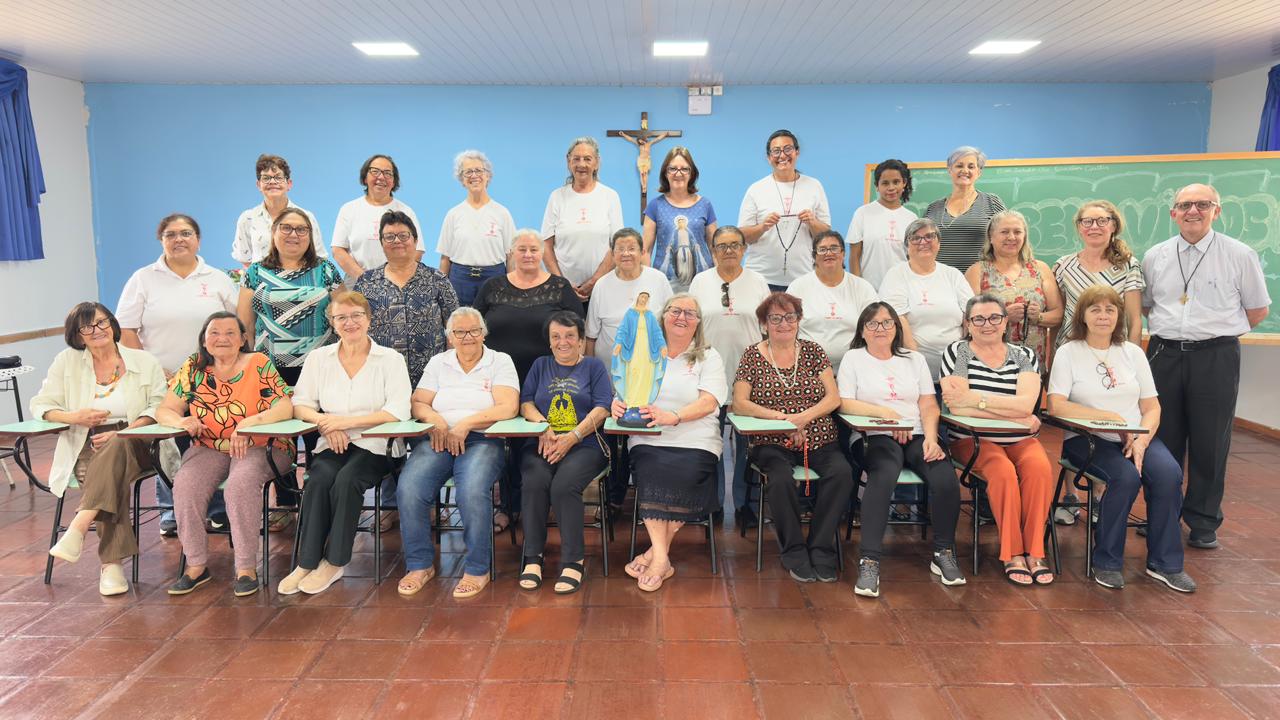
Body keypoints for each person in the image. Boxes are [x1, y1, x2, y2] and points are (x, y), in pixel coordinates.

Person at [1141, 183, 1271, 550]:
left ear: (1217, 210)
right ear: (1173, 213)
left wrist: (1214, 333)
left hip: (1216, 356)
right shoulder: (1156, 255)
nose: (1192, 211)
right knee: (1162, 438)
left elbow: (1257, 309)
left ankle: (1202, 520)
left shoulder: (1239, 254)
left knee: (1210, 440)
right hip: (1164, 353)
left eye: (1202, 204)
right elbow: (1149, 305)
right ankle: (1161, 514)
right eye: (1184, 205)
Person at [1048, 285, 1196, 593]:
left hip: (1135, 437)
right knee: (1125, 478)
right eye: (1095, 310)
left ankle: (1165, 563)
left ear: (1119, 317)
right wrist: (1110, 419)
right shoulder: (1068, 351)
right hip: (1087, 439)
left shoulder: (1132, 353)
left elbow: (1151, 406)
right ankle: (1107, 561)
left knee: (1169, 474)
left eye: (1110, 310)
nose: (1103, 316)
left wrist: (1142, 440)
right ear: (1083, 316)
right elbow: (1056, 404)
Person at [277, 292, 412, 595]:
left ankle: (335, 562)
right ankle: (306, 562)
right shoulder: (318, 359)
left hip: (378, 445)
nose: (349, 323)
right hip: (332, 442)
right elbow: (300, 404)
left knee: (347, 480)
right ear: (332, 322)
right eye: (341, 318)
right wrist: (326, 423)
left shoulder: (390, 359)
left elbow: (398, 411)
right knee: (319, 478)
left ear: (369, 319)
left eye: (356, 316)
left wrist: (344, 423)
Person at [154, 312, 294, 597]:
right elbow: (164, 409)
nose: (222, 338)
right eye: (214, 332)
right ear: (204, 340)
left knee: (240, 485)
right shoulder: (193, 366)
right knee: (186, 485)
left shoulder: (257, 363)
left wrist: (248, 425)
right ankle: (195, 565)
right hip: (209, 446)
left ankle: (245, 568)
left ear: (243, 338)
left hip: (261, 444)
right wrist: (181, 421)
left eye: (231, 333)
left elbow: (284, 407)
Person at [116, 213, 236, 536]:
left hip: (214, 378)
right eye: (171, 234)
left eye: (186, 233)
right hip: (163, 379)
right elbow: (126, 328)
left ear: (198, 239)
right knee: (169, 442)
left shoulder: (218, 278)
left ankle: (216, 509)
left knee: (211, 440)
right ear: (161, 240)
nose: (179, 239)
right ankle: (171, 512)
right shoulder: (143, 279)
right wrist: (153, 369)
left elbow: (236, 326)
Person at [39, 303, 168, 596]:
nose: (96, 331)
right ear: (77, 335)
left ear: (112, 324)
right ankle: (110, 566)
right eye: (87, 327)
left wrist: (125, 432)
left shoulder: (143, 360)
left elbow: (158, 406)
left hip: (139, 439)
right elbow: (43, 405)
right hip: (86, 441)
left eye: (101, 322)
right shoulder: (66, 361)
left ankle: (82, 530)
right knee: (111, 476)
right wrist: (74, 418)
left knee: (117, 449)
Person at [837, 302, 964, 597]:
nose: (880, 329)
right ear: (862, 331)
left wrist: (932, 438)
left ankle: (943, 552)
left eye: (886, 323)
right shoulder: (854, 358)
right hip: (873, 435)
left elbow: (928, 404)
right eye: (872, 324)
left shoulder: (914, 359)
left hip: (918, 433)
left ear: (896, 327)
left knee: (944, 476)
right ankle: (869, 560)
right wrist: (886, 415)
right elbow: (845, 402)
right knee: (885, 473)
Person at [396, 308, 518, 598]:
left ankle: (478, 568)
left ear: (484, 332)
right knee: (409, 488)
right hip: (438, 437)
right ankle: (420, 565)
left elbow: (508, 407)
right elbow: (419, 401)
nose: (468, 337)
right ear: (449, 337)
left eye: (474, 330)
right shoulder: (439, 362)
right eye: (460, 332)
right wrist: (437, 421)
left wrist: (466, 424)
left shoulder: (499, 361)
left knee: (471, 491)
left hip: (483, 438)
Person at [732, 292, 852, 583]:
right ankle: (794, 548)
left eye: (790, 317)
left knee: (842, 474)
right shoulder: (752, 354)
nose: (783, 323)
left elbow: (833, 397)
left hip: (818, 437)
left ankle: (821, 548)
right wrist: (781, 420)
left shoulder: (813, 351)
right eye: (775, 318)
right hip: (771, 439)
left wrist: (802, 419)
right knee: (781, 478)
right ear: (764, 323)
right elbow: (740, 403)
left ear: (799, 320)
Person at [939, 294, 1054, 586]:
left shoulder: (1024, 355)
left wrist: (976, 400)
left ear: (1005, 322)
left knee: (1040, 470)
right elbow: (956, 406)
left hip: (1020, 440)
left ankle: (1035, 552)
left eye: (994, 318)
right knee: (1002, 473)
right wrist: (1013, 412)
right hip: (973, 440)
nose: (986, 324)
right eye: (978, 318)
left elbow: (1027, 405)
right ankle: (1013, 553)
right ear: (967, 324)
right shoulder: (958, 352)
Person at [618, 295, 727, 591]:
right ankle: (661, 559)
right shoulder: (644, 353)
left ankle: (655, 556)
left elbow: (709, 401)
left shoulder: (709, 356)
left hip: (697, 439)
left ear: (699, 321)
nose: (682, 317)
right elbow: (623, 390)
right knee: (651, 474)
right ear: (662, 316)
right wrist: (618, 404)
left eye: (690, 312)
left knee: (689, 477)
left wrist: (674, 416)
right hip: (649, 438)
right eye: (675, 310)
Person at [517, 311, 611, 594]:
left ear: (582, 341)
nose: (563, 342)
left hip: (586, 444)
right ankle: (533, 557)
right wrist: (543, 425)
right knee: (534, 481)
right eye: (556, 336)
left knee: (563, 486)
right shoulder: (540, 365)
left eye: (570, 336)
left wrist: (573, 436)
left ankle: (573, 560)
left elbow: (603, 408)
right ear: (549, 341)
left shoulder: (594, 367)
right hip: (543, 442)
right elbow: (526, 402)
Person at [689, 226, 771, 525]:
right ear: (712, 251)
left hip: (749, 376)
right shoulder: (700, 282)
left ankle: (743, 503)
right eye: (722, 246)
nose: (729, 251)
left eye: (735, 245)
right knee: (710, 440)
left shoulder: (758, 282)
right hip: (709, 374)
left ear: (744, 249)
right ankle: (710, 503)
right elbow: (692, 328)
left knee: (747, 443)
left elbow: (767, 329)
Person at [237, 208, 343, 384]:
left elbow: (343, 317)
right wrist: (245, 365)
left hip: (321, 365)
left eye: (302, 229)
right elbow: (245, 325)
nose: (294, 234)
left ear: (310, 236)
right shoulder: (255, 272)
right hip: (268, 368)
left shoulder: (326, 269)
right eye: (286, 228)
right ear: (273, 232)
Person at [354, 210, 459, 386]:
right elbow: (356, 329)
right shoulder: (366, 282)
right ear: (381, 243)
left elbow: (455, 327)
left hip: (431, 381)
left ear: (415, 240)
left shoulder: (437, 279)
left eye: (403, 236)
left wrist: (451, 371)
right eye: (389, 237)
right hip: (380, 379)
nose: (397, 241)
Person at [475, 229, 585, 380]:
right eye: (522, 249)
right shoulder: (492, 286)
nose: (528, 255)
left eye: (533, 250)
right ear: (512, 252)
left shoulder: (560, 287)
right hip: (496, 376)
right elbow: (474, 327)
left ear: (542, 252)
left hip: (550, 376)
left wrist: (576, 370)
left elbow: (580, 330)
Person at [880, 218, 974, 381]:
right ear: (906, 246)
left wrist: (961, 363)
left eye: (930, 236)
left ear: (938, 243)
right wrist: (918, 366)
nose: (923, 242)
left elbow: (971, 315)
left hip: (957, 367)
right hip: (912, 369)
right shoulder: (896, 275)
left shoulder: (953, 275)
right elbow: (899, 320)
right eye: (915, 238)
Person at [964, 210, 1062, 363]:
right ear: (991, 237)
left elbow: (1058, 314)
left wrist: (1039, 317)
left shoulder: (1040, 269)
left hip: (1033, 364)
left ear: (1024, 236)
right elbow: (967, 320)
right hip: (990, 365)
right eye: (1004, 232)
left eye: (1017, 232)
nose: (1011, 237)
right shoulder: (977, 271)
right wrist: (1003, 317)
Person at [739, 130, 832, 290]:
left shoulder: (814, 186)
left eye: (788, 149)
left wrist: (812, 222)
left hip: (802, 277)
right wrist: (763, 227)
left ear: (797, 152)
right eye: (776, 151)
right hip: (760, 278)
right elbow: (743, 236)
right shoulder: (756, 189)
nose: (782, 155)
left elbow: (825, 235)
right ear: (769, 158)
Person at [541, 137, 625, 301]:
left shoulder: (610, 196)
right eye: (576, 159)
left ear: (597, 162)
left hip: (602, 288)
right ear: (568, 161)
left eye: (588, 159)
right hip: (563, 291)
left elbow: (617, 244)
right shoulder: (557, 197)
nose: (582, 164)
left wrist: (594, 282)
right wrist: (562, 283)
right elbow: (546, 245)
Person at [1053, 200, 1145, 347]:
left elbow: (1134, 320)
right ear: (1079, 227)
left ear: (1114, 226)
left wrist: (1134, 359)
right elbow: (1057, 317)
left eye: (1102, 221)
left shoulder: (1128, 266)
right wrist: (1053, 360)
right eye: (1087, 222)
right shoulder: (1063, 266)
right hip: (1071, 350)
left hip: (1114, 351)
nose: (1094, 227)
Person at [786, 230, 879, 369]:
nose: (829, 253)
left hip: (855, 368)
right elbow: (785, 328)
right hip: (808, 369)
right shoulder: (797, 287)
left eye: (834, 248)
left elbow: (876, 327)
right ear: (814, 256)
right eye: (822, 250)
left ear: (843, 254)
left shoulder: (862, 287)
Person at [436, 150, 518, 306]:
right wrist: (441, 291)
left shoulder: (502, 213)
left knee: (494, 326)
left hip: (494, 278)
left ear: (488, 176)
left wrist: (513, 288)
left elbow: (511, 256)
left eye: (479, 170)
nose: (474, 175)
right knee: (460, 326)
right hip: (460, 279)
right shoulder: (453, 214)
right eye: (468, 172)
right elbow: (445, 258)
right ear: (462, 180)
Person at [585, 228, 674, 365]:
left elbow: (671, 324)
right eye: (620, 249)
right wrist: (590, 371)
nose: (626, 253)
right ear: (613, 255)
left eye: (632, 248)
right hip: (610, 369)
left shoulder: (658, 279)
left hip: (651, 366)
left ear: (642, 252)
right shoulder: (601, 285)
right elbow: (591, 336)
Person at [330, 154, 423, 279]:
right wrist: (365, 279)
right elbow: (338, 250)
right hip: (357, 280)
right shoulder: (348, 209)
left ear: (394, 181)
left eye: (388, 173)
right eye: (375, 171)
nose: (381, 177)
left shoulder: (406, 211)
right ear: (365, 178)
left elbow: (418, 250)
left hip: (399, 280)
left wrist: (395, 278)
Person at [641, 146, 716, 293]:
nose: (678, 173)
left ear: (692, 173)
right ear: (665, 173)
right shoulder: (655, 205)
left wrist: (719, 280)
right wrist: (646, 283)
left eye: (684, 169)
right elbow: (646, 250)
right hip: (665, 281)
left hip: (702, 281)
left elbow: (715, 247)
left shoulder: (705, 204)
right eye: (673, 169)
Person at [231, 154, 327, 266]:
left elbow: (319, 258)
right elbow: (245, 259)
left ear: (289, 184)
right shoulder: (247, 218)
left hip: (299, 282)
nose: (272, 182)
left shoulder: (306, 217)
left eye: (278, 177)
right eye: (266, 178)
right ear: (258, 185)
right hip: (261, 282)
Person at [924, 146, 1006, 272]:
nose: (965, 170)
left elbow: (1007, 240)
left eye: (971, 166)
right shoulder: (933, 209)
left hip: (981, 281)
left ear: (979, 172)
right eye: (959, 166)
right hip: (941, 282)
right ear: (949, 170)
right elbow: (923, 246)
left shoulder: (992, 203)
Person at [848, 158, 917, 289]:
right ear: (877, 186)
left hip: (902, 289)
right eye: (885, 183)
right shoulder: (862, 213)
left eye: (896, 182)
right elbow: (854, 256)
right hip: (869, 290)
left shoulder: (911, 218)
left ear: (904, 183)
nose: (891, 188)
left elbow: (913, 259)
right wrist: (859, 288)